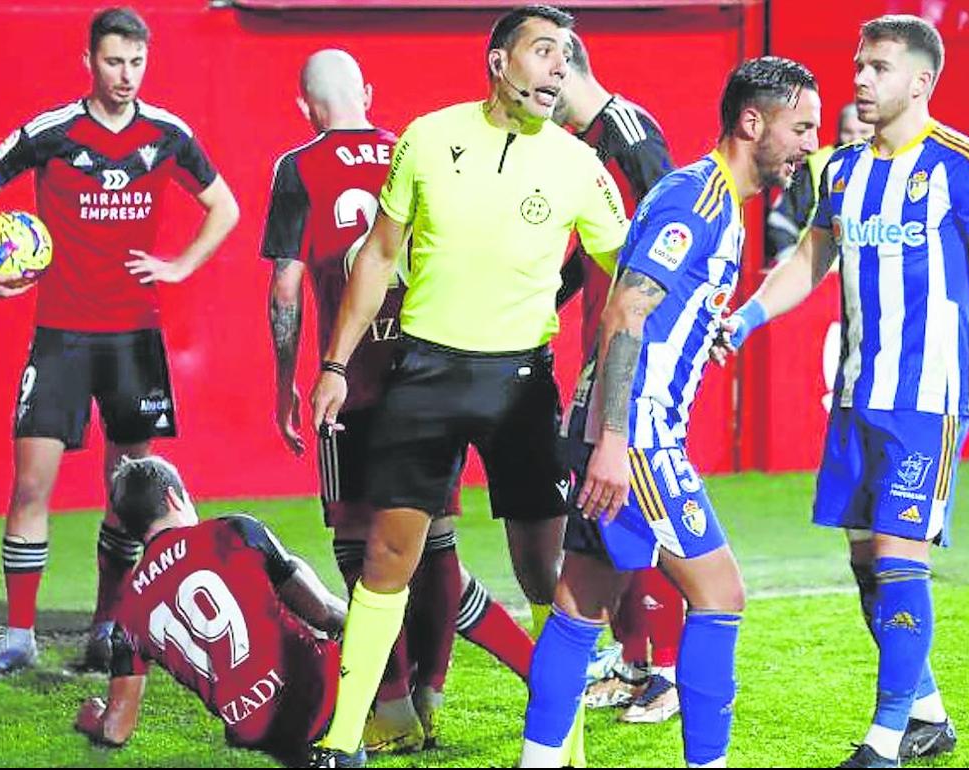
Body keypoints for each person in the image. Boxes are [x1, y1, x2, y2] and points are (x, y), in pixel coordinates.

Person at [307, 6, 630, 765]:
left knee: (545, 573)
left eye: (567, 56)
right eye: (543, 50)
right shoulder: (427, 136)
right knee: (389, 555)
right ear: (498, 61)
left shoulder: (580, 165)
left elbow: (631, 279)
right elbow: (379, 257)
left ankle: (566, 744)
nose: (558, 68)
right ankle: (346, 738)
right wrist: (333, 363)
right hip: (424, 374)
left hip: (520, 385)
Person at [520, 56, 819, 768]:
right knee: (721, 595)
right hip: (639, 433)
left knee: (577, 609)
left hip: (616, 425)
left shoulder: (713, 200)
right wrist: (617, 442)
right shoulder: (699, 199)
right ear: (754, 122)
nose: (810, 143)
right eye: (800, 126)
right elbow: (624, 312)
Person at [717, 15, 969, 768]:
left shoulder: (961, 165)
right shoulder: (839, 170)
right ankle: (928, 714)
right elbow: (813, 256)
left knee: (900, 559)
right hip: (857, 392)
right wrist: (745, 318)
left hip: (927, 396)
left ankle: (885, 740)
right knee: (867, 561)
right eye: (859, 65)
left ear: (922, 81)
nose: (860, 79)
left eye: (878, 67)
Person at [0, 6, 240, 677]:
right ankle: (17, 633)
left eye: (137, 62)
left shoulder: (168, 134)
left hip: (134, 339)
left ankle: (109, 624)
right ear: (89, 61)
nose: (126, 75)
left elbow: (226, 207)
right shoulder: (52, 132)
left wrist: (181, 264)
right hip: (61, 338)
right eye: (114, 61)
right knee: (31, 484)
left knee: (129, 488)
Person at [263, 49, 534, 753]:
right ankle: (438, 692)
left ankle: (391, 704)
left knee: (359, 544)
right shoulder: (417, 149)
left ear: (304, 106)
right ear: (370, 91)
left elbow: (287, 287)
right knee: (435, 541)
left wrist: (287, 383)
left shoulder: (298, 167)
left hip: (353, 380)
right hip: (433, 374)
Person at [551, 28, 684, 725]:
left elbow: (671, 233)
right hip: (598, 344)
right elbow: (596, 247)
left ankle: (664, 670)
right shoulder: (577, 144)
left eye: (543, 67)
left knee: (631, 499)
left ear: (566, 64)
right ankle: (635, 658)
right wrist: (550, 295)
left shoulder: (628, 131)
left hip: (633, 353)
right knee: (603, 502)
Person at [72, 455, 351, 767]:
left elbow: (116, 730)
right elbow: (322, 613)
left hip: (251, 728)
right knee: (289, 574)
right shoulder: (231, 531)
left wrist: (91, 717)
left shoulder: (127, 615)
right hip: (317, 692)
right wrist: (371, 627)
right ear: (173, 497)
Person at [766, 102, 874, 264]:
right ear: (838, 133)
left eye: (863, 132)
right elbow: (781, 221)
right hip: (819, 281)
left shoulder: (896, 165)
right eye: (848, 132)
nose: (855, 139)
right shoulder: (818, 164)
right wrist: (791, 267)